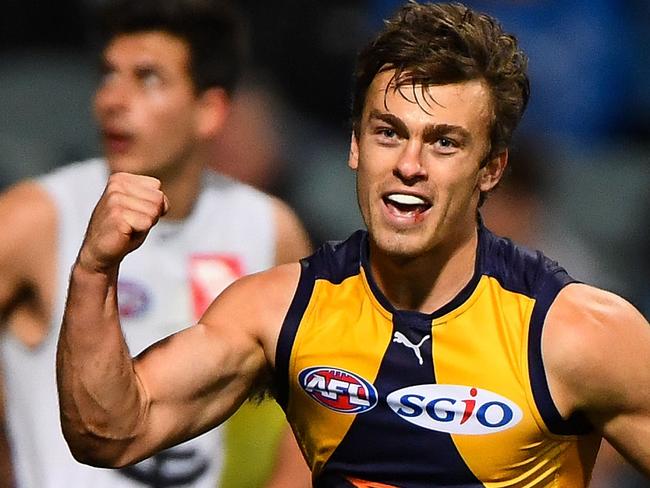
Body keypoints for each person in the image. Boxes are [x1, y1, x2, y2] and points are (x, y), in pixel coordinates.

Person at [56, 1, 650, 486]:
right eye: (388, 133)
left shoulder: (576, 334)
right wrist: (93, 272)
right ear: (356, 148)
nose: (409, 165)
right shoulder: (278, 311)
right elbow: (109, 433)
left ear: (491, 169)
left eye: (444, 143)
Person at [0, 0, 312, 487]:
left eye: (147, 78)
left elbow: (320, 398)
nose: (112, 100)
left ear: (209, 111)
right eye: (108, 75)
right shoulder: (36, 217)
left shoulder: (268, 228)